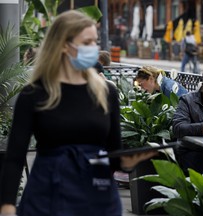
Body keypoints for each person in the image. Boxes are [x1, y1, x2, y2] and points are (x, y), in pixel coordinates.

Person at [0, 10, 157, 216]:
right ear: (65, 45)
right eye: (87, 42)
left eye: (95, 41)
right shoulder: (35, 94)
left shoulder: (106, 91)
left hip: (97, 195)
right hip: (48, 193)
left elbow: (113, 152)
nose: (94, 48)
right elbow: (15, 156)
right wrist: (7, 206)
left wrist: (128, 162)